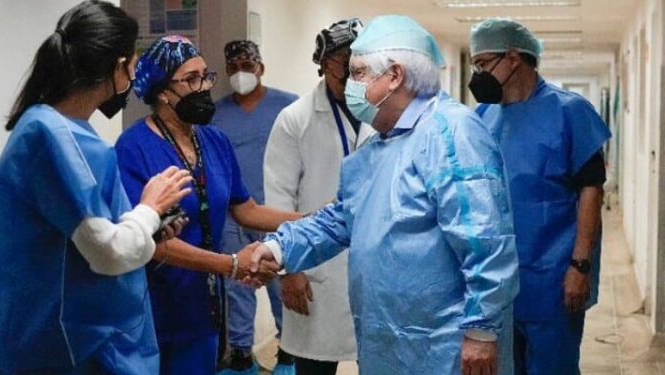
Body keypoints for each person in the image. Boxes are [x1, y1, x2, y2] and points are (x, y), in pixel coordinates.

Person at [247, 15, 520, 375]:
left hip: (446, 346)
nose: (349, 84)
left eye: (358, 73)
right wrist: (279, 249)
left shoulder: (452, 135)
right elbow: (340, 219)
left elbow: (485, 242)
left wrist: (482, 332)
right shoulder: (379, 146)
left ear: (394, 76)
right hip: (388, 343)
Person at [0, 2, 194, 374]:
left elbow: (76, 234)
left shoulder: (60, 130)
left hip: (47, 336)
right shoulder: (53, 137)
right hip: (50, 346)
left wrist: (150, 225)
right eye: (132, 65)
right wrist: (150, 207)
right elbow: (107, 252)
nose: (133, 77)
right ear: (117, 68)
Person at [115, 35, 302, 375]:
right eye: (190, 79)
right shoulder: (133, 148)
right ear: (162, 92)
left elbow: (247, 211)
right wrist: (230, 265)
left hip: (205, 307)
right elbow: (151, 244)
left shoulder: (214, 141)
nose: (203, 87)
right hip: (154, 308)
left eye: (205, 75)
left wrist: (312, 218)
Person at [469, 18, 611, 375]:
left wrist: (581, 266)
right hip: (498, 280)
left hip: (552, 276)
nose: (478, 74)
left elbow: (591, 190)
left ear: (514, 58)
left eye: (484, 64)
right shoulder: (483, 117)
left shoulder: (569, 112)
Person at [262, 18, 373, 375]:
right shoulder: (295, 119)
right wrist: (289, 267)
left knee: (378, 360)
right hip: (315, 271)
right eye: (347, 63)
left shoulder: (381, 112)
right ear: (324, 63)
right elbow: (279, 198)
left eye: (363, 63)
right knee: (314, 367)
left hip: (374, 269)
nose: (356, 72)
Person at [212, 40, 299, 375]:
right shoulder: (216, 113)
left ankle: (289, 353)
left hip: (275, 211)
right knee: (238, 285)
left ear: (260, 67)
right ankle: (240, 355)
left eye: (246, 66)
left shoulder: (288, 107)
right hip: (233, 213)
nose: (239, 73)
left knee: (282, 283)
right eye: (233, 67)